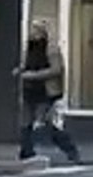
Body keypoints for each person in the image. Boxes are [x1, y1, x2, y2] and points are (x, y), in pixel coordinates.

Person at [14, 19, 80, 163]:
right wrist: (20, 70)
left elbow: (56, 69)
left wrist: (34, 75)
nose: (33, 33)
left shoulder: (51, 49)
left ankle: (70, 149)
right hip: (29, 90)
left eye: (36, 30)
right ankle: (26, 151)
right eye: (32, 29)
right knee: (25, 123)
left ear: (42, 33)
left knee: (44, 123)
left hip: (45, 91)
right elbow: (26, 64)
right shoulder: (29, 47)